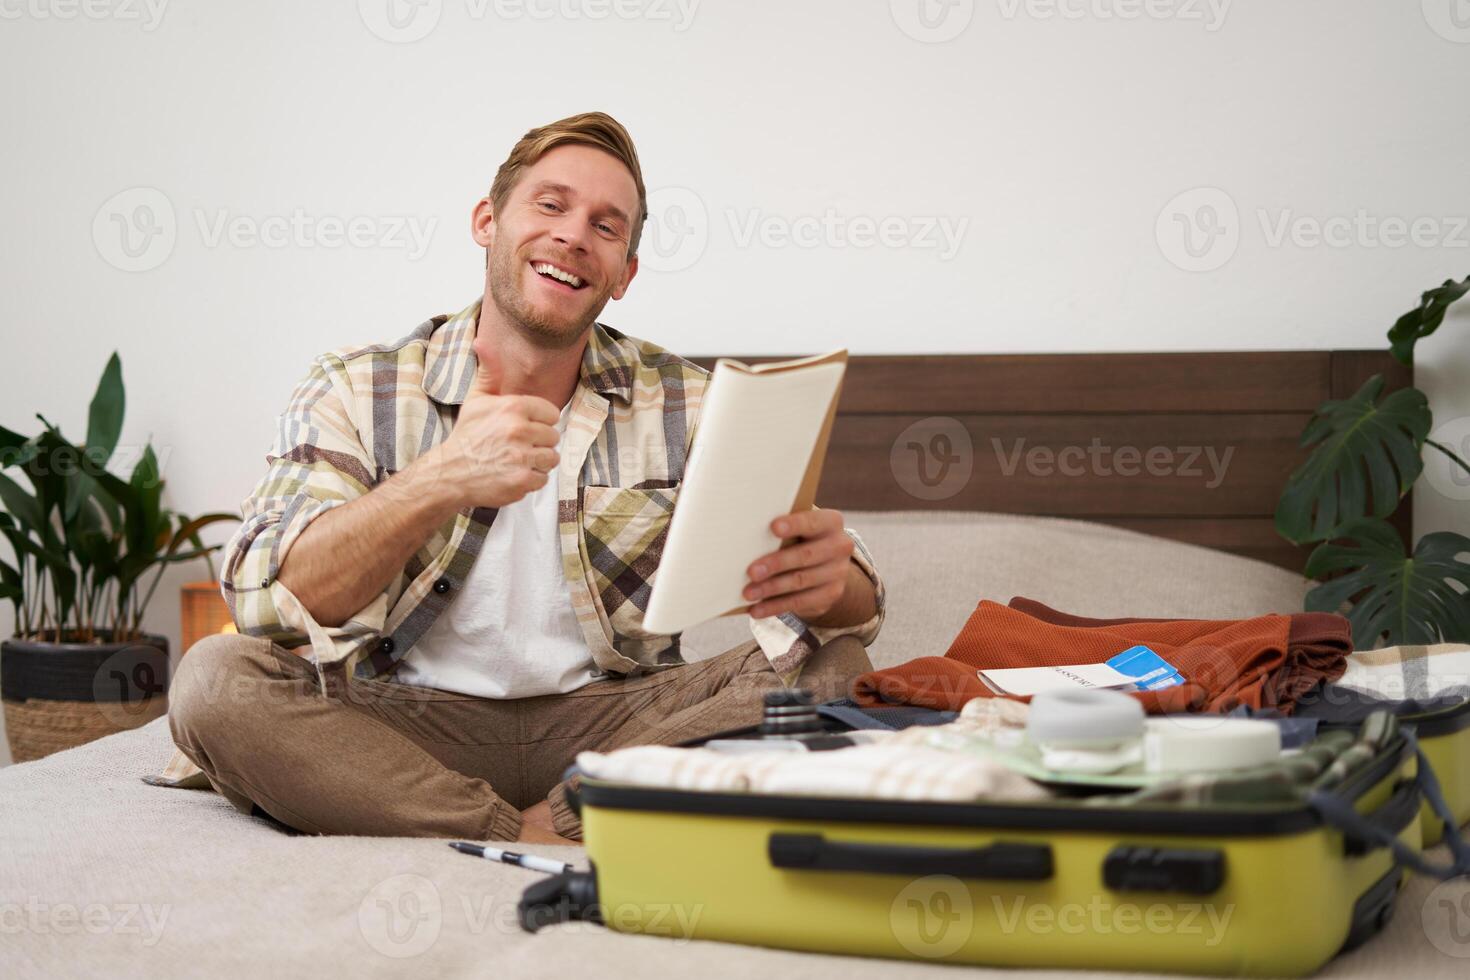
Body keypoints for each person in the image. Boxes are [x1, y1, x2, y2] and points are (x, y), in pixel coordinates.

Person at [150, 111, 887, 844]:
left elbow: (845, 608)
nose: (573, 234)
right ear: (487, 221)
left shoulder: (688, 401)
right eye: (551, 204)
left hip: (617, 723)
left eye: (607, 225)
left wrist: (833, 582)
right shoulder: (355, 386)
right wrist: (442, 476)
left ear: (624, 274)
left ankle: (563, 810)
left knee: (837, 669)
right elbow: (267, 602)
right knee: (217, 681)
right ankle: (529, 831)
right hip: (406, 723)